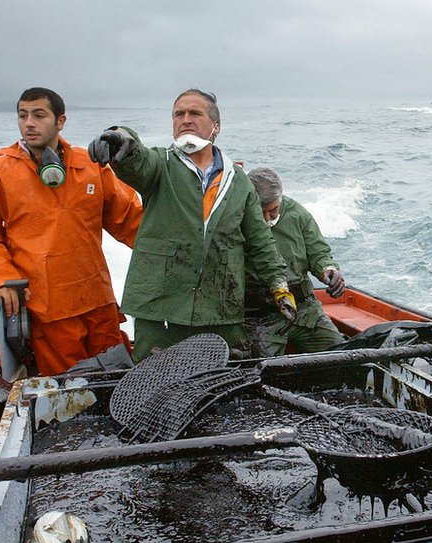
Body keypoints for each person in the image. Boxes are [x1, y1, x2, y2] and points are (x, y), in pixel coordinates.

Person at [87, 89, 295, 361]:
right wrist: (119, 138)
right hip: (161, 308)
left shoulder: (239, 181)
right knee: (154, 386)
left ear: (216, 126)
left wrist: (279, 285)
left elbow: (260, 241)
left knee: (220, 387)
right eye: (178, 114)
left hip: (221, 308)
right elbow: (136, 159)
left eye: (195, 113)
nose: (185, 119)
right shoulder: (160, 165)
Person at [0, 87, 143, 376]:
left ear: (60, 121)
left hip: (98, 302)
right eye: (23, 115)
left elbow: (132, 221)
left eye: (39, 115)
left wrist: (176, 250)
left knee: (118, 377)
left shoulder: (90, 166)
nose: (29, 123)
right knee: (68, 391)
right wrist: (2, 281)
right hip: (48, 309)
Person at [243, 167, 346, 356]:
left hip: (304, 310)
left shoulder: (298, 214)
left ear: (281, 197)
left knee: (340, 353)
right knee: (260, 368)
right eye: (261, 212)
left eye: (273, 210)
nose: (267, 218)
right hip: (259, 317)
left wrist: (327, 269)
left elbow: (318, 251)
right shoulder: (237, 219)